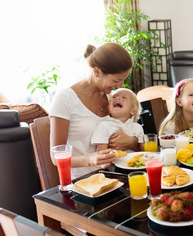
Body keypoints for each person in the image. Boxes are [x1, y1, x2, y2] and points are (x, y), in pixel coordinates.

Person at [50, 42, 140, 179]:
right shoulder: (65, 98)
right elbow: (56, 157)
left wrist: (132, 142)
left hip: (114, 177)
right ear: (97, 72)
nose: (120, 86)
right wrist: (90, 159)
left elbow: (126, 130)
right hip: (83, 183)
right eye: (116, 80)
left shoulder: (111, 98)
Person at [91, 88, 144, 152]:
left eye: (124, 97)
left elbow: (144, 152)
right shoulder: (103, 126)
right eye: (114, 97)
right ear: (108, 108)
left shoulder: (137, 127)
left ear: (133, 111)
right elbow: (101, 154)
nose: (117, 98)